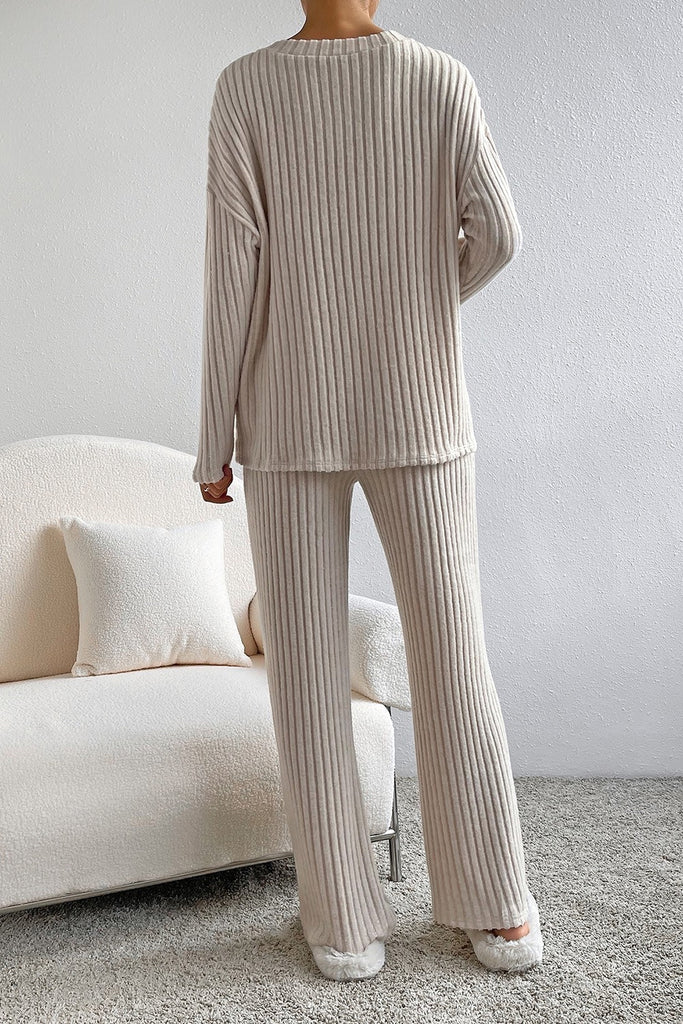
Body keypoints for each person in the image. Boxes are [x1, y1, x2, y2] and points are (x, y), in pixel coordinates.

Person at [193, 0, 544, 982]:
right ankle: (495, 907)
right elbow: (498, 235)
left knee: (306, 669)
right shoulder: (440, 79)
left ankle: (343, 917)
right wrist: (417, 300)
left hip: (286, 410)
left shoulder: (245, 87)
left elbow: (230, 274)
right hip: (417, 405)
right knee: (449, 651)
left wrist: (214, 433)